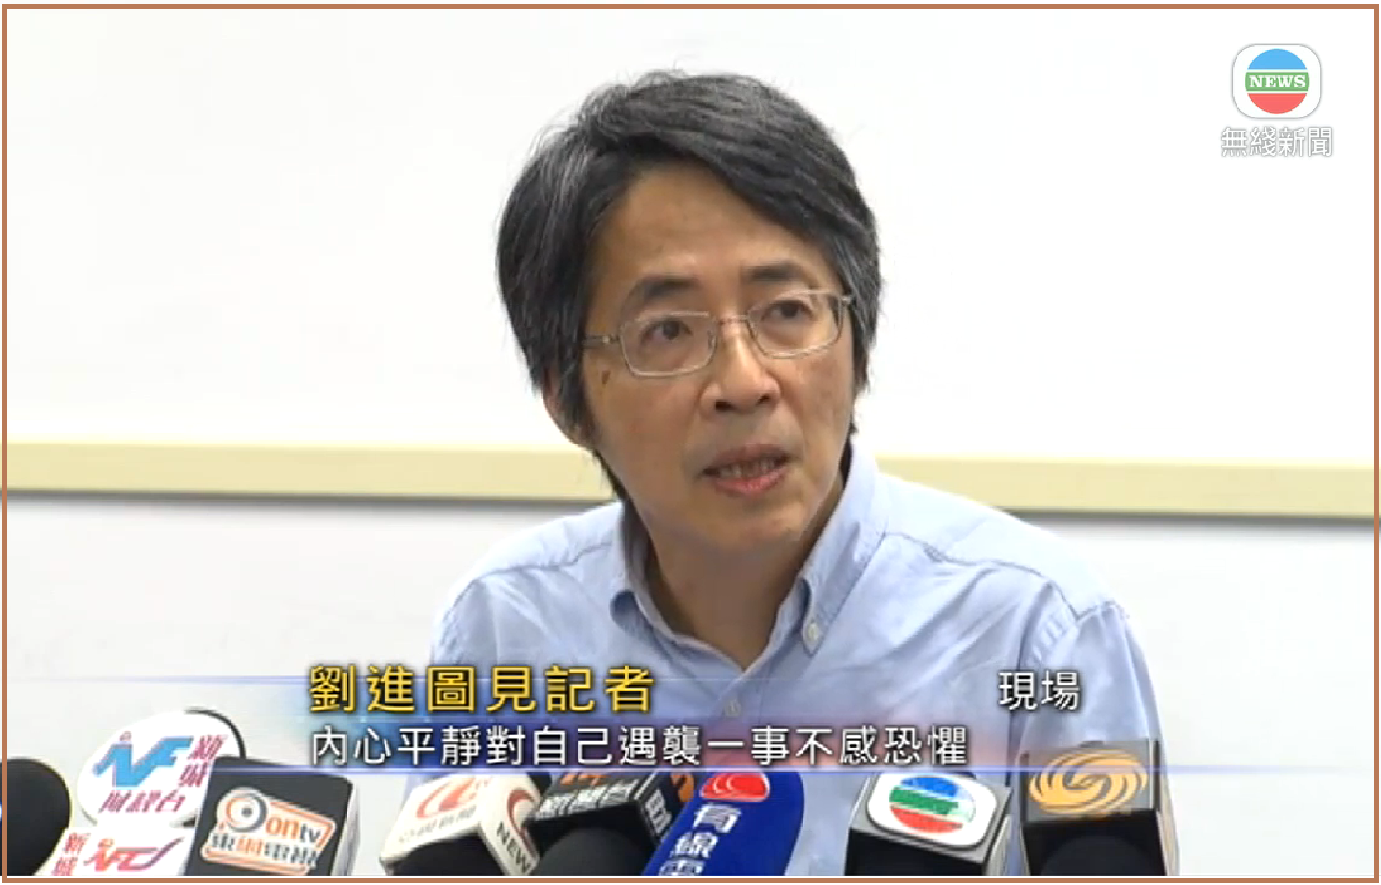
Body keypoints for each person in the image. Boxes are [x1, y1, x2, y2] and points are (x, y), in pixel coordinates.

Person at [425, 70, 1172, 874]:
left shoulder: (1035, 630)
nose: (744, 382)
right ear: (565, 398)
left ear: (856, 336)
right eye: (667, 330)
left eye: (786, 311)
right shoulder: (506, 629)